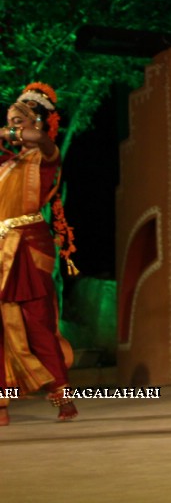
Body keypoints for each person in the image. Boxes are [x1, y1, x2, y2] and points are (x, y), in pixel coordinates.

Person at [0, 83, 79, 424]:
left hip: (29, 247)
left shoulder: (46, 156)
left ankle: (61, 396)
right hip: (1, 248)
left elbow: (42, 142)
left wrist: (24, 129)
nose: (13, 127)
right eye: (10, 120)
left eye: (20, 120)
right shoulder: (5, 163)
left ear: (38, 123)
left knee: (39, 325)